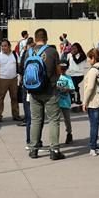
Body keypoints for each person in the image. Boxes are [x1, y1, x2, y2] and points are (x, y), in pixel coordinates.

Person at [26, 28, 64, 160]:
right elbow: (59, 71)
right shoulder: (52, 51)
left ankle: (33, 149)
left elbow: (22, 70)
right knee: (54, 120)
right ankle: (54, 150)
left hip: (34, 91)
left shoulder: (28, 52)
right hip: (50, 90)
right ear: (46, 38)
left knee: (36, 120)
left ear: (35, 38)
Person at [0, 40, 22, 122]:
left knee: (14, 98)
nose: (3, 47)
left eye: (5, 46)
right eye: (2, 46)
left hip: (13, 79)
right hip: (2, 80)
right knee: (0, 98)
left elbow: (19, 66)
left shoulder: (15, 55)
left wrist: (20, 78)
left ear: (9, 46)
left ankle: (16, 115)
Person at [56, 61, 75, 144]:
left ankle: (69, 133)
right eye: (61, 69)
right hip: (56, 102)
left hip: (65, 102)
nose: (63, 71)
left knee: (67, 119)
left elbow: (72, 89)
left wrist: (66, 89)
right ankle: (55, 137)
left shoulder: (68, 78)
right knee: (55, 121)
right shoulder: (55, 77)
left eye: (64, 69)